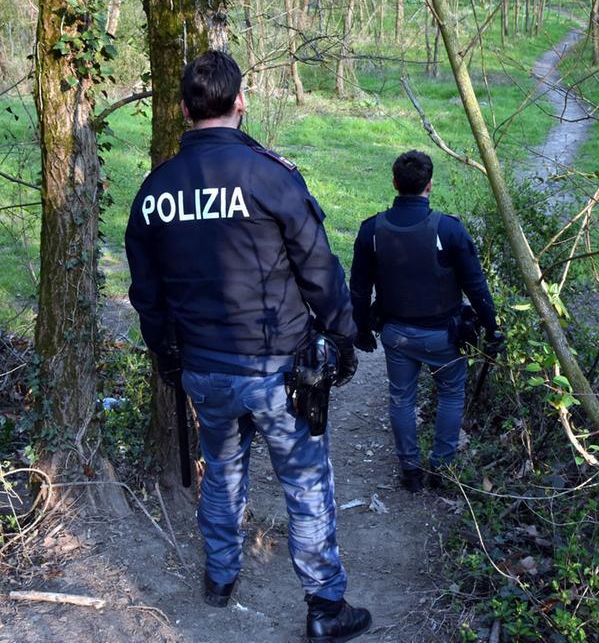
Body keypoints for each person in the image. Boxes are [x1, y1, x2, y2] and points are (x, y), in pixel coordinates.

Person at [124, 50, 372, 643]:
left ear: (184, 109)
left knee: (223, 475)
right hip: (276, 370)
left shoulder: (155, 191)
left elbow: (146, 292)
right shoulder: (270, 176)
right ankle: (325, 606)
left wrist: (165, 353)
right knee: (305, 483)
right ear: (241, 101)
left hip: (204, 371)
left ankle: (220, 578)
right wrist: (342, 335)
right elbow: (319, 266)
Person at [349, 150, 504, 493]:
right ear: (429, 186)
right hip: (444, 337)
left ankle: (410, 471)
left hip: (396, 334)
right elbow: (475, 285)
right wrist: (492, 327)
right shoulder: (449, 230)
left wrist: (360, 329)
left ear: (394, 183)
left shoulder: (371, 230)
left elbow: (358, 290)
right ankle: (442, 469)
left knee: (401, 398)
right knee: (450, 394)